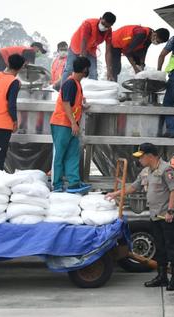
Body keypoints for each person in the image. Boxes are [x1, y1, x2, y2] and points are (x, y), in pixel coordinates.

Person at [106, 143, 174, 290]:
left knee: (172, 248)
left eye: (141, 157)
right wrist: (115, 194)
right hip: (155, 216)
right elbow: (134, 186)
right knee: (160, 248)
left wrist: (170, 211)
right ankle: (162, 277)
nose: (139, 160)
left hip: (168, 217)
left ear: (150, 156)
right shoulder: (146, 172)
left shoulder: (166, 170)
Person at [49, 56, 91, 193]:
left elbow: (72, 104)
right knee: (60, 154)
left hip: (72, 125)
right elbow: (66, 103)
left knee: (73, 154)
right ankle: (57, 185)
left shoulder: (77, 84)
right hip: (62, 124)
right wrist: (73, 123)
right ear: (84, 69)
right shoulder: (70, 83)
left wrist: (81, 107)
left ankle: (73, 183)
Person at [63, 12, 117, 83]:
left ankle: (92, 93)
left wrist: (109, 71)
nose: (104, 27)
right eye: (103, 23)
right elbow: (84, 42)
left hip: (91, 49)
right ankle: (62, 91)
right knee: (69, 69)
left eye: (107, 26)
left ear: (111, 26)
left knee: (93, 73)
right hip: (77, 46)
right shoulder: (88, 24)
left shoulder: (109, 31)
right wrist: (82, 62)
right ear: (100, 18)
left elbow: (108, 52)